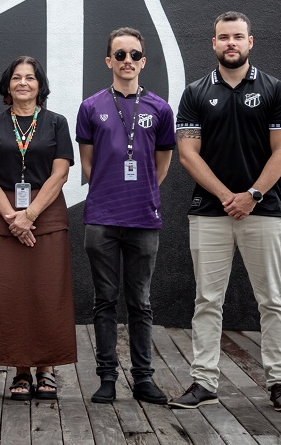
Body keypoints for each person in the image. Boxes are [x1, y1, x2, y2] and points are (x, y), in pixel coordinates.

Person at [170, 11, 281, 413]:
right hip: (209, 212)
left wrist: (253, 194)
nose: (231, 42)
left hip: (262, 210)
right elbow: (188, 155)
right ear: (213, 43)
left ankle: (279, 383)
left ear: (250, 42)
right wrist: (229, 195)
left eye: (237, 36)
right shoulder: (195, 92)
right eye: (223, 37)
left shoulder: (274, 89)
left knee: (272, 300)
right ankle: (204, 381)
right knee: (207, 300)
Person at [76, 28, 176, 405]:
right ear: (108, 61)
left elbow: (162, 163)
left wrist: (142, 190)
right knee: (105, 300)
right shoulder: (91, 107)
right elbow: (88, 165)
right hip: (101, 217)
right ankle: (107, 378)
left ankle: (144, 378)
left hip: (143, 218)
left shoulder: (160, 108)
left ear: (143, 61)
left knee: (141, 302)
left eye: (134, 55)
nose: (127, 62)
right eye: (120, 55)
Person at [0, 56, 76, 401]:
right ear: (8, 86)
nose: (23, 83)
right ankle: (19, 371)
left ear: (39, 85)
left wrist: (29, 215)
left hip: (45, 217)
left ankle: (46, 369)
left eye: (30, 78)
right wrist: (11, 218)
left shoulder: (56, 123)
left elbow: (60, 174)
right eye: (16, 78)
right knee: (10, 297)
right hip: (3, 219)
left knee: (47, 294)